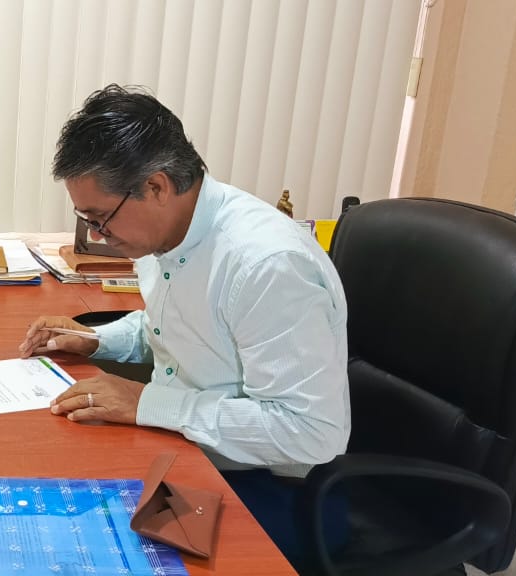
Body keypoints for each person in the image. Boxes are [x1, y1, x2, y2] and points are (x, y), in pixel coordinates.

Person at [18, 84, 350, 562]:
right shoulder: (165, 235)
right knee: (48, 496)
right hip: (185, 454)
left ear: (156, 187)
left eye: (101, 218)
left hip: (269, 487)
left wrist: (146, 402)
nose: (98, 236)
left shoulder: (266, 264)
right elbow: (179, 329)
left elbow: (309, 431)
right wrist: (94, 340)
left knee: (84, 548)